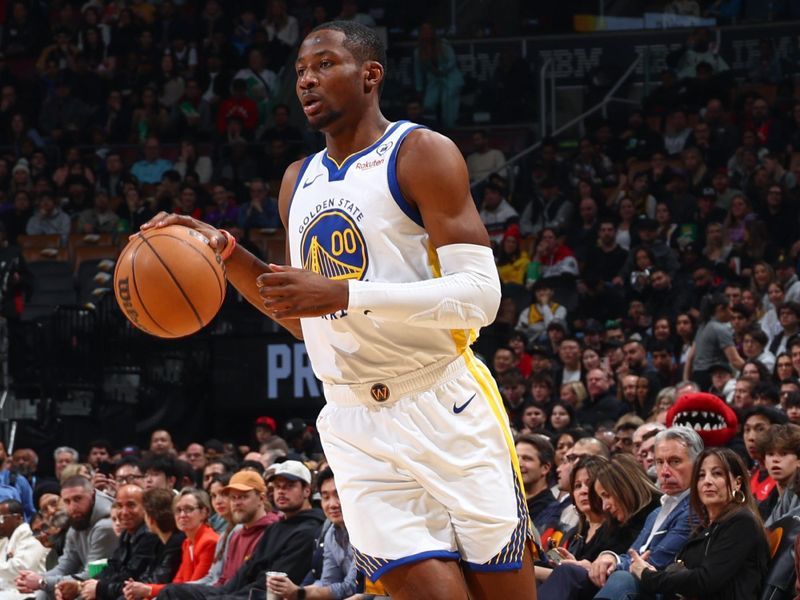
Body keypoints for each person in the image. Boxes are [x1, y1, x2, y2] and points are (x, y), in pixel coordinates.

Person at [141, 20, 535, 600]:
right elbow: (306, 317)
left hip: (444, 404)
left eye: (324, 64)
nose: (307, 79)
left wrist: (346, 292)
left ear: (370, 74)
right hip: (354, 421)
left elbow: (480, 296)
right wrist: (223, 252)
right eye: (300, 70)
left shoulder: (421, 153)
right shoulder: (296, 182)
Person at [631, 448, 770, 600]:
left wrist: (648, 576)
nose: (707, 481)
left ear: (737, 483)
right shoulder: (704, 526)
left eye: (717, 474)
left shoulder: (742, 522)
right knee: (625, 581)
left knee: (625, 582)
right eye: (701, 476)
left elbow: (704, 580)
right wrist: (653, 573)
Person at [593, 426, 702, 599]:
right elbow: (633, 554)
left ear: (697, 465)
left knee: (621, 578)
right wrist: (610, 557)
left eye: (675, 461)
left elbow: (657, 562)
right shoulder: (656, 512)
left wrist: (613, 564)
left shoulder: (696, 509)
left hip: (663, 591)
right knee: (573, 572)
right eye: (659, 462)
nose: (664, 472)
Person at [15, 476, 118, 600]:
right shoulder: (77, 521)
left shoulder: (106, 526)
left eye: (78, 499)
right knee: (46, 592)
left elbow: (93, 574)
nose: (73, 507)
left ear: (93, 494)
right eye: (67, 501)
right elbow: (66, 566)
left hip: (111, 589)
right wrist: (33, 578)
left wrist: (42, 581)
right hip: (86, 585)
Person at [266, 468, 358, 599]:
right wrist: (297, 593)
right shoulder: (330, 532)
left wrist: (299, 593)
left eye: (338, 495)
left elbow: (353, 587)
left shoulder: (366, 531)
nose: (332, 504)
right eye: (326, 497)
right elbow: (329, 581)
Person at [123, 488, 218, 598]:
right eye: (178, 510)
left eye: (188, 509)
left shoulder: (209, 542)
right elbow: (178, 582)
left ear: (204, 512)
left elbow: (194, 588)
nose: (182, 515)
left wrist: (148, 590)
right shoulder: (187, 543)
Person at [78, 485, 160, 600]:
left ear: (145, 507)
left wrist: (98, 587)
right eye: (119, 506)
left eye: (131, 505)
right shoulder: (127, 533)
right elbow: (112, 564)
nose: (124, 512)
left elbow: (131, 575)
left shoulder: (150, 535)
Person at [120, 488, 184, 600]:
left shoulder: (177, 543)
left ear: (151, 519)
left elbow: (160, 580)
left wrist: (138, 588)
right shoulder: (159, 541)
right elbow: (148, 575)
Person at [0, 499, 47, 600]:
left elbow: (21, 568)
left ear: (17, 518)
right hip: (9, 591)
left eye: (2, 518)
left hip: (30, 592)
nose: (0, 523)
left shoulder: (30, 534)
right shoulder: (5, 541)